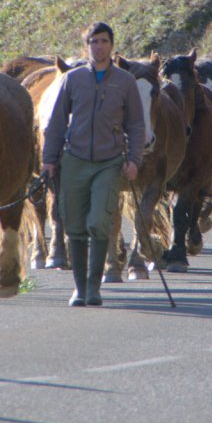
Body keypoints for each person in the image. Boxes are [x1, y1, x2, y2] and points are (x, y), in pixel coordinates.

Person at [42, 22, 146, 307]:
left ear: (112, 45)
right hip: (74, 160)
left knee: (100, 221)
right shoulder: (73, 80)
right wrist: (49, 160)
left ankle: (94, 286)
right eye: (93, 41)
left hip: (109, 162)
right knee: (74, 225)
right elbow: (57, 123)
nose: (98, 46)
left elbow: (136, 123)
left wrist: (135, 159)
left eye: (103, 41)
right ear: (86, 46)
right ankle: (79, 288)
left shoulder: (125, 82)